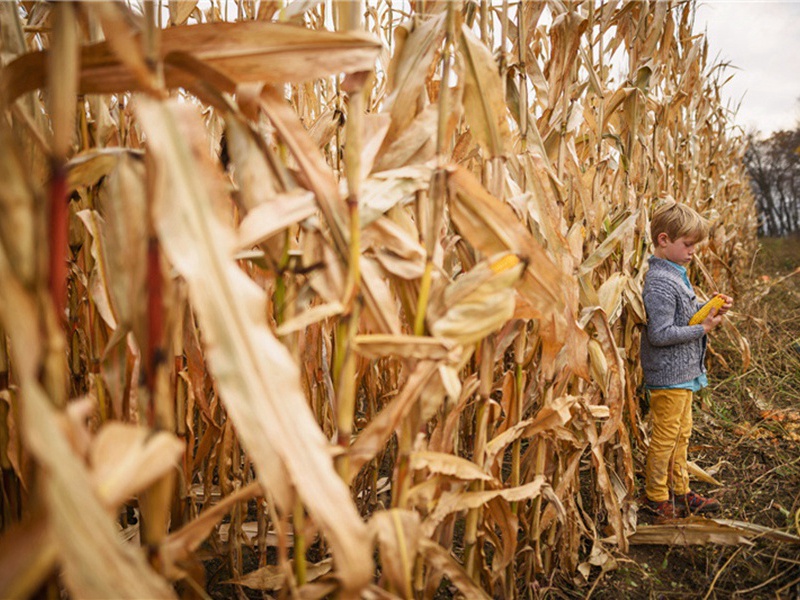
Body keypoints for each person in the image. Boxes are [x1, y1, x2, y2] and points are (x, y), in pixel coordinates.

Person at [640, 200, 733, 519]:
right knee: (665, 440)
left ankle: (680, 490)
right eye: (688, 244)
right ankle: (656, 497)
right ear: (664, 240)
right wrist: (704, 327)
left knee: (682, 436)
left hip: (683, 373)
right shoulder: (660, 282)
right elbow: (660, 334)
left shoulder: (676, 274)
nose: (693, 251)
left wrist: (710, 308)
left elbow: (685, 319)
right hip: (668, 377)